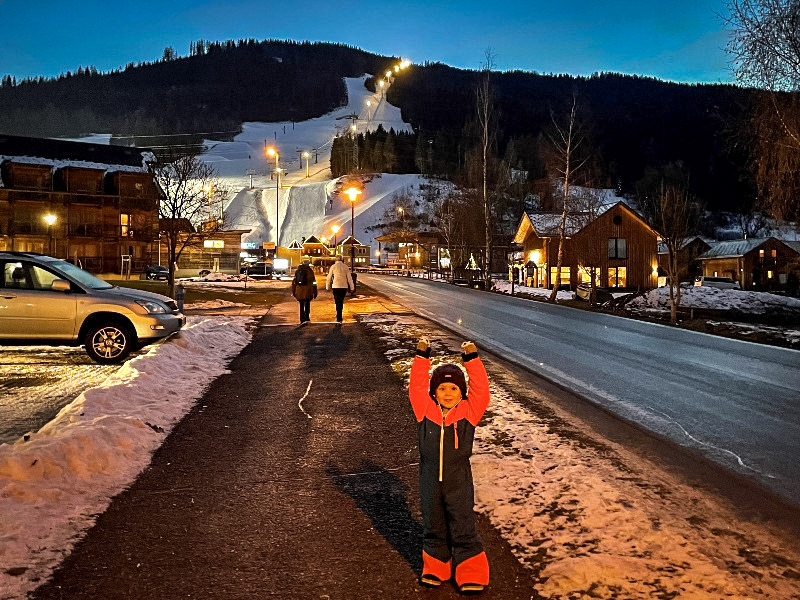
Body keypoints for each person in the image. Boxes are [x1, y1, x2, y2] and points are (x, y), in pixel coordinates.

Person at [409, 337, 491, 594]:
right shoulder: (425, 410)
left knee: (462, 524)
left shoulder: (469, 412)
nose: (447, 393)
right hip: (430, 479)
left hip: (459, 480)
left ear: (461, 392)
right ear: (434, 392)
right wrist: (422, 358)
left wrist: (472, 359)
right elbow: (416, 387)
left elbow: (481, 391)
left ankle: (471, 571)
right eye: (442, 388)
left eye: (453, 389)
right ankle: (436, 567)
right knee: (433, 524)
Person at [325, 254, 354, 323]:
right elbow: (349, 278)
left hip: (335, 286)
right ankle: (339, 315)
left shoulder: (333, 266)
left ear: (336, 259)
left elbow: (329, 278)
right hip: (344, 287)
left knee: (337, 300)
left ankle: (338, 314)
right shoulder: (345, 267)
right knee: (341, 300)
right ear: (342, 259)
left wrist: (327, 286)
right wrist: (352, 287)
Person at [291, 259, 317, 323]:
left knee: (301, 305)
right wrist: (315, 291)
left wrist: (294, 291)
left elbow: (294, 282)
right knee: (307, 304)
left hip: (299, 290)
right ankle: (307, 318)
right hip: (308, 290)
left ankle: (302, 319)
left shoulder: (298, 271)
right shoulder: (310, 271)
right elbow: (313, 282)